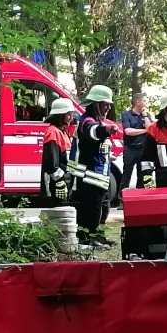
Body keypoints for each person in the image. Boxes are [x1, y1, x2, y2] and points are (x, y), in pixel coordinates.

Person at [68, 84, 119, 246]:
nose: (108, 107)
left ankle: (98, 236)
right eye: (105, 104)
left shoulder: (96, 120)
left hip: (100, 175)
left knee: (103, 208)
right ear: (96, 105)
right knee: (91, 209)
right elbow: (93, 132)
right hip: (88, 175)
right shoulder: (87, 122)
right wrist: (107, 130)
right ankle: (87, 239)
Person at [39, 97, 76, 208]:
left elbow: (66, 159)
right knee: (57, 213)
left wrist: (78, 171)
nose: (71, 117)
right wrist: (59, 181)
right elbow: (51, 162)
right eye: (68, 114)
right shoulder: (53, 132)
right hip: (56, 183)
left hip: (64, 180)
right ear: (61, 115)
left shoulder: (62, 130)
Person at [118, 92, 153, 190]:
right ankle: (122, 198)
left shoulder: (147, 115)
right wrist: (144, 131)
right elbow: (128, 131)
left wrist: (146, 115)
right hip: (130, 149)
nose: (147, 103)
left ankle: (140, 198)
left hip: (143, 149)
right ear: (138, 102)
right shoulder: (126, 115)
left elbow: (150, 129)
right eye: (145, 101)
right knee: (127, 174)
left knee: (142, 175)